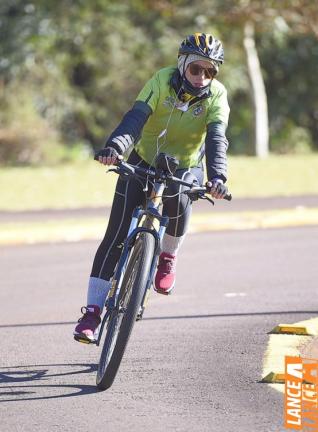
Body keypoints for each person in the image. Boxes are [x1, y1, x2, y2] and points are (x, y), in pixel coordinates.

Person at [74, 32, 230, 343]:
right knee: (116, 235)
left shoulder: (217, 96)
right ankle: (91, 313)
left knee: (181, 200)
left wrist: (218, 178)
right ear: (182, 64)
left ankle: (167, 257)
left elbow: (216, 139)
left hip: (186, 166)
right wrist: (116, 147)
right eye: (196, 69)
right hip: (144, 159)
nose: (202, 77)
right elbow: (135, 119)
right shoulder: (160, 80)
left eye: (210, 71)